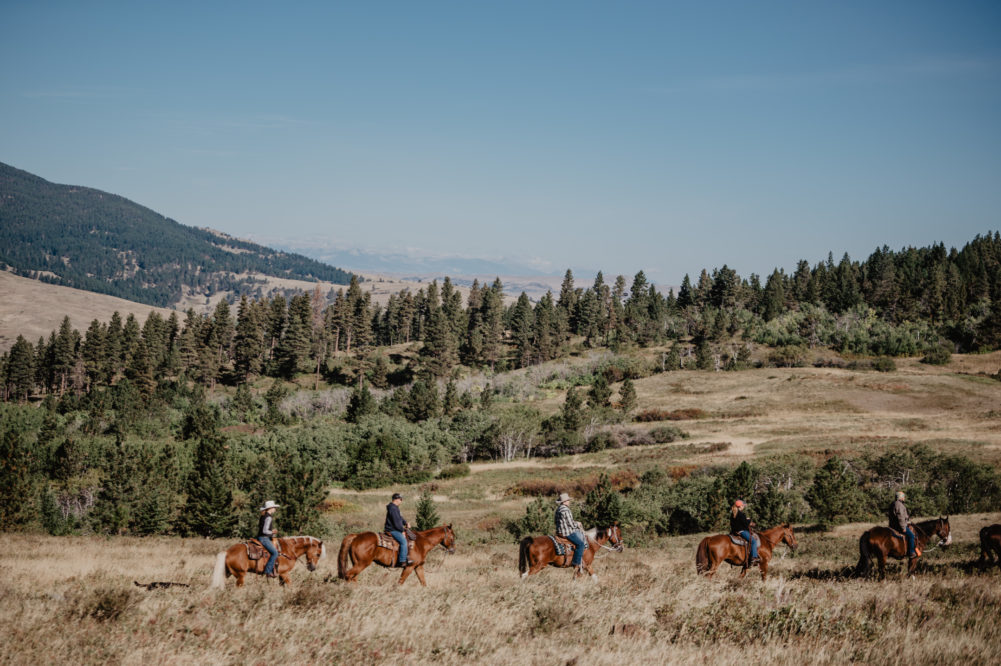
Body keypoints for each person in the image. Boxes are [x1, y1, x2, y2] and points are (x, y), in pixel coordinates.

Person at [554, 492, 587, 573]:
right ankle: (576, 563)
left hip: (559, 532)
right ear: (565, 501)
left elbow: (557, 521)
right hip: (567, 533)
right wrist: (577, 524)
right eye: (568, 500)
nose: (569, 501)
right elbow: (571, 524)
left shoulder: (558, 509)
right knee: (581, 544)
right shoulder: (566, 510)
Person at [385, 492, 413, 568]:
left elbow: (400, 518)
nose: (401, 501)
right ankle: (402, 560)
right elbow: (396, 522)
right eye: (401, 499)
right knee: (403, 542)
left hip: (395, 528)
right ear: (396, 499)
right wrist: (402, 531)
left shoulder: (394, 508)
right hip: (392, 530)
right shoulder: (393, 508)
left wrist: (405, 522)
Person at [730, 499, 759, 565]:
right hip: (742, 531)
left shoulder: (733, 513)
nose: (743, 507)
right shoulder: (741, 514)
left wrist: (745, 520)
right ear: (740, 506)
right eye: (743, 506)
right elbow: (745, 524)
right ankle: (754, 558)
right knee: (754, 541)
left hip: (734, 531)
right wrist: (748, 520)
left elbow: (735, 523)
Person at [888, 490, 916, 559]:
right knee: (912, 536)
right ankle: (911, 552)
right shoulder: (899, 504)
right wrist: (903, 527)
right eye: (903, 497)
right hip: (899, 526)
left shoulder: (893, 503)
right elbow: (900, 517)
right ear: (900, 497)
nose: (904, 498)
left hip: (893, 525)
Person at [257, 500, 280, 578]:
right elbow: (265, 530)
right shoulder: (269, 517)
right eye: (274, 507)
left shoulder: (263, 516)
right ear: (270, 508)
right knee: (275, 553)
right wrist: (272, 532)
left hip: (260, 537)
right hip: (264, 538)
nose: (275, 509)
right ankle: (268, 570)